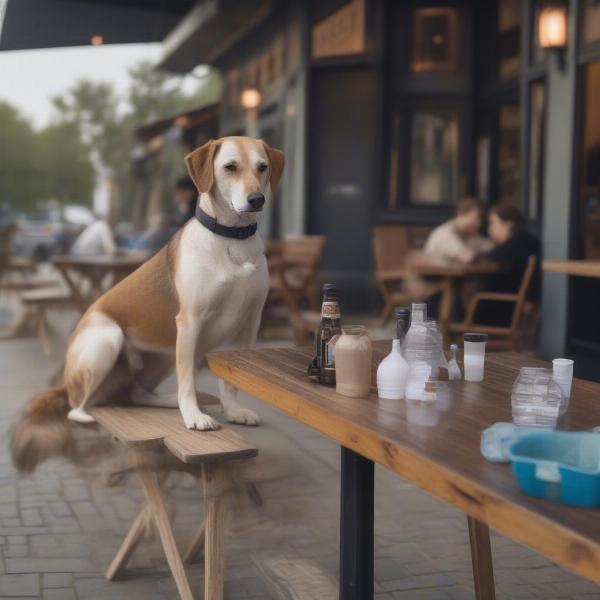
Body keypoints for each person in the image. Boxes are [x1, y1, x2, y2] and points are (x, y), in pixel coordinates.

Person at [476, 202, 541, 325]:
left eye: (493, 223)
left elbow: (491, 257)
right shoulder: (527, 240)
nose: (490, 229)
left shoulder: (518, 242)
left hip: (506, 308)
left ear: (508, 224)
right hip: (514, 304)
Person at [424, 197, 493, 263]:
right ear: (461, 214)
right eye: (476, 218)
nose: (478, 223)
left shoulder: (468, 234)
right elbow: (466, 257)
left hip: (454, 273)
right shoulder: (444, 233)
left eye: (480, 219)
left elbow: (490, 247)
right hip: (436, 274)